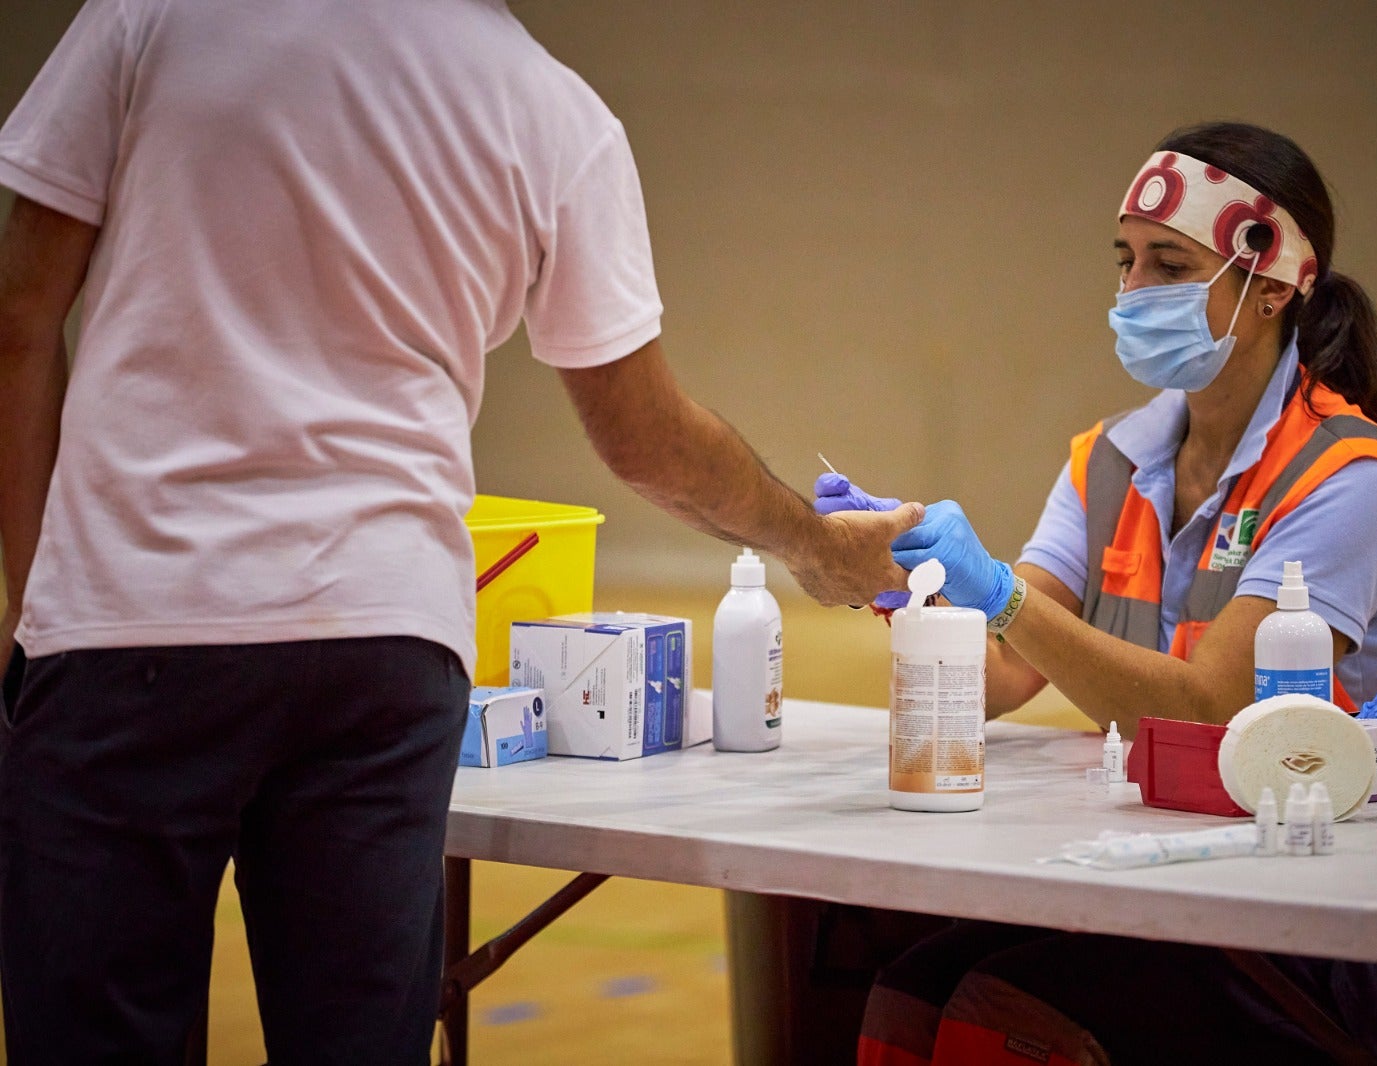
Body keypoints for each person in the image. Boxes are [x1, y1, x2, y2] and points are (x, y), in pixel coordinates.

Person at [0, 2, 921, 1062]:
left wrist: (37, 603)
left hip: (134, 624)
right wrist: (811, 541)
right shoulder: (550, 109)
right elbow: (647, 442)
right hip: (382, 646)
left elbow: (22, 317)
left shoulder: (156, 14)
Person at [822, 123, 1377, 1064]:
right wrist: (906, 588)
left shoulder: (1351, 481)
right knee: (904, 981)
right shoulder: (1111, 458)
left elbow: (1218, 714)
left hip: (1364, 924)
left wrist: (1005, 597)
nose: (1132, 292)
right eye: (1127, 261)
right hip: (1195, 882)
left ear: (1270, 287)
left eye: (1170, 265)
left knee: (1008, 1008)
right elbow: (1000, 676)